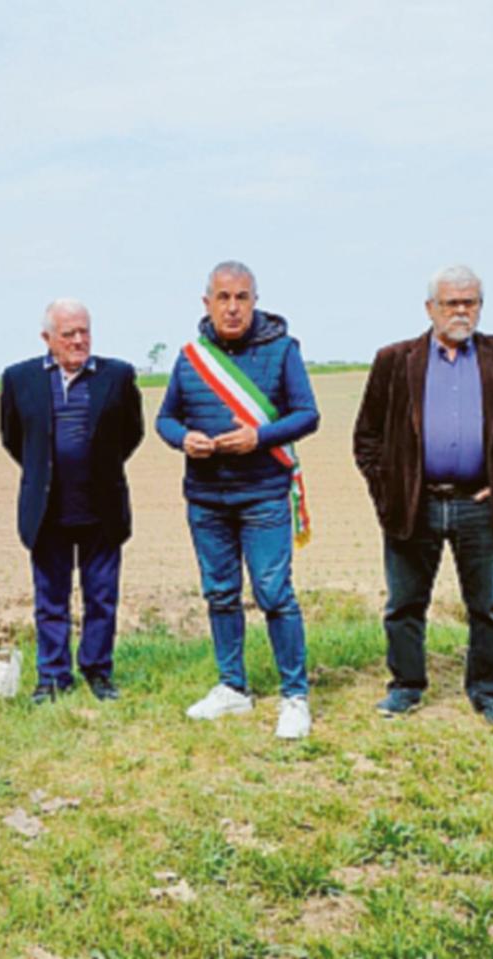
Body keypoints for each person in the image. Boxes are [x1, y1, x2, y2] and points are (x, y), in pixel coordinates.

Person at [352, 265, 493, 726]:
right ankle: (405, 686)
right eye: (451, 303)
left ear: (480, 305)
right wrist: (390, 490)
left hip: (479, 504)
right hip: (414, 503)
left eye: (470, 302)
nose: (461, 311)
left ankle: (489, 691)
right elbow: (367, 437)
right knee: (404, 604)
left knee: (489, 605)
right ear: (430, 308)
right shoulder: (394, 361)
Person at [157, 261, 320, 739]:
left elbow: (308, 415)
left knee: (274, 594)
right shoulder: (190, 357)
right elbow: (165, 418)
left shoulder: (283, 350)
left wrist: (260, 436)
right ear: (206, 302)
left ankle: (295, 696)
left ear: (255, 301)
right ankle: (232, 687)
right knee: (221, 593)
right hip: (206, 499)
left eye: (242, 297)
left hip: (264, 495)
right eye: (223, 297)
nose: (232, 307)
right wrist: (183, 438)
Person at [0, 298, 145, 703]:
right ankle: (52, 676)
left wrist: (96, 469)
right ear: (48, 338)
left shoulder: (116, 376)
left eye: (84, 331)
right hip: (47, 511)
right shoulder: (19, 379)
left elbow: (132, 433)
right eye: (69, 334)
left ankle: (98, 671)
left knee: (101, 597)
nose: (79, 341)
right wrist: (47, 473)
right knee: (50, 600)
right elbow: (14, 438)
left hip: (101, 508)